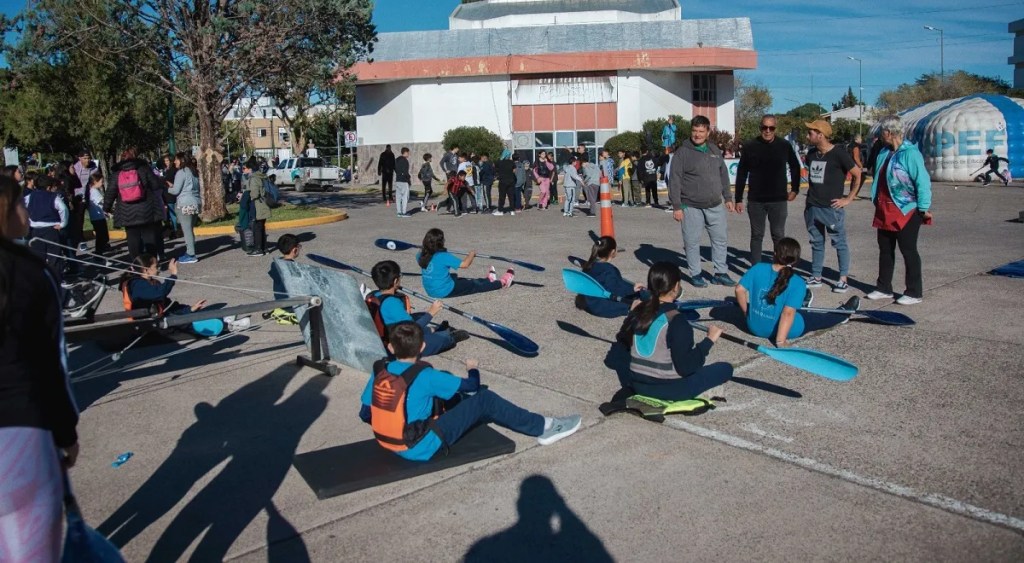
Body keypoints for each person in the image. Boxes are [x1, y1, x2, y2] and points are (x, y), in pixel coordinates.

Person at [358, 321, 582, 461]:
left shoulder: (381, 370)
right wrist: (472, 368)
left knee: (448, 397)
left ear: (389, 347)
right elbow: (473, 386)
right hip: (418, 447)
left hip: (386, 441)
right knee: (485, 399)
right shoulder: (426, 375)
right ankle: (545, 427)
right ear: (423, 347)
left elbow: (365, 413)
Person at [0, 175, 80, 562]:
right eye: (18, 204)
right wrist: (66, 431)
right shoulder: (29, 272)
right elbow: (53, 365)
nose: (25, 211)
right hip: (22, 434)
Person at [616, 261, 732, 401]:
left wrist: (632, 313)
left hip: (637, 384)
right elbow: (687, 367)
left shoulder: (638, 311)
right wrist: (709, 340)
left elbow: (622, 341)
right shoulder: (676, 320)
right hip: (668, 388)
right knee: (725, 368)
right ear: (676, 286)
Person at [736, 237, 858, 346]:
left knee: (794, 308)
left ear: (774, 254)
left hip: (754, 327)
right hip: (787, 330)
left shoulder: (758, 268)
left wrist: (747, 313)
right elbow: (787, 314)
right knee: (816, 318)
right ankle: (842, 315)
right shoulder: (798, 282)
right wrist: (780, 341)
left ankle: (801, 303)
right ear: (796, 261)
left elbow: (739, 289)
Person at [867, 116, 933, 306]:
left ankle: (914, 291)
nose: (880, 136)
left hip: (906, 209)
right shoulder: (883, 152)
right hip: (884, 208)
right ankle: (883, 287)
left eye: (882, 132)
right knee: (885, 249)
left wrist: (923, 207)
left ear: (889, 133)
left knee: (908, 250)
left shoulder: (910, 153)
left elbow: (922, 180)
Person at [668, 115, 736, 288]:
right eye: (694, 131)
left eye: (701, 131)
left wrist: (727, 197)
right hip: (691, 206)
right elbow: (674, 180)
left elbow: (723, 175)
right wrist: (676, 206)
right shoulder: (682, 152)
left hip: (715, 205)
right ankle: (696, 274)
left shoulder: (714, 150)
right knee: (691, 242)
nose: (697, 134)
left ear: (707, 132)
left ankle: (720, 273)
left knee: (720, 240)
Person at [802, 120, 861, 293]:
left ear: (820, 135)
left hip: (831, 209)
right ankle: (816, 276)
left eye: (811, 132)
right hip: (812, 206)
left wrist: (848, 199)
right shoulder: (812, 154)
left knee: (839, 243)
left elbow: (857, 175)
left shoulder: (839, 154)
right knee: (816, 242)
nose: (807, 135)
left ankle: (843, 279)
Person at [734, 114, 802, 265]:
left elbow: (795, 166)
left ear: (775, 129)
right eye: (764, 127)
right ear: (760, 128)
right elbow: (742, 172)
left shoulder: (784, 145)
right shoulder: (750, 146)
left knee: (778, 235)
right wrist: (738, 199)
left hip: (778, 199)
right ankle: (756, 268)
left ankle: (780, 266)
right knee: (757, 235)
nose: (768, 131)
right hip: (756, 200)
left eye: (771, 128)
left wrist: (795, 189)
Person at [367, 260, 469, 358]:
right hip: (397, 345)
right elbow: (412, 329)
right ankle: (450, 337)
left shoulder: (373, 295)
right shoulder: (392, 303)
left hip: (387, 337)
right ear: (395, 281)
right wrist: (431, 312)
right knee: (439, 340)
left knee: (422, 323)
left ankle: (437, 330)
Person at [105, 147, 166, 260]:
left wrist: (106, 207)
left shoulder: (117, 173)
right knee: (149, 237)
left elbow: (110, 192)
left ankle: (136, 263)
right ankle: (151, 262)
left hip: (126, 210)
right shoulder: (143, 168)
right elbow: (155, 185)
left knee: (132, 238)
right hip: (146, 208)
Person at [417, 228, 513, 298]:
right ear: (440, 242)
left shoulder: (421, 254)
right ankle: (502, 283)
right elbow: (465, 264)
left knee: (459, 278)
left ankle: (488, 279)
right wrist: (471, 254)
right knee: (473, 285)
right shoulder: (443, 256)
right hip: (444, 291)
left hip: (430, 290)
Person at [576, 236, 645, 318]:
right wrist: (633, 288)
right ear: (613, 252)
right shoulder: (610, 270)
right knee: (638, 299)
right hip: (600, 306)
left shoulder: (589, 265)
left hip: (588, 303)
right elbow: (616, 290)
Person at [25, 176, 69, 274]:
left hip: (35, 230)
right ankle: (57, 280)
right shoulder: (53, 197)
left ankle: (39, 280)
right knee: (54, 257)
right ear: (49, 187)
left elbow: (22, 207)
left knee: (38, 257)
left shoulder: (29, 196)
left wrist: (28, 221)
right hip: (51, 230)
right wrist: (62, 224)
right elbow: (63, 209)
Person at [168, 152, 202, 263]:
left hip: (185, 204)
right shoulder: (193, 171)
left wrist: (167, 188)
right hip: (195, 202)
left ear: (182, 160)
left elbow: (176, 190)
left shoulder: (181, 172)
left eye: (176, 159)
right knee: (190, 230)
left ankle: (191, 254)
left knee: (187, 231)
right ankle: (190, 251)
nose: (174, 162)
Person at [242, 157, 271, 256]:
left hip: (257, 205)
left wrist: (246, 197)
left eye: (246, 168)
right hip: (264, 203)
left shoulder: (254, 178)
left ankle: (258, 249)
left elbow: (254, 194)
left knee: (257, 227)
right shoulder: (261, 176)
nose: (245, 170)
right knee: (261, 226)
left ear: (250, 168)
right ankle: (264, 248)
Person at [87, 171, 110, 254]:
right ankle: (99, 251)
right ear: (95, 182)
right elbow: (102, 202)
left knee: (101, 234)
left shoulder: (91, 191)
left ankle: (101, 248)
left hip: (96, 217)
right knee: (101, 235)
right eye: (101, 182)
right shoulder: (94, 191)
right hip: (98, 217)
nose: (102, 183)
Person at [493, 151, 516, 215]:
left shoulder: (499, 162)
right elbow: (514, 171)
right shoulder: (512, 162)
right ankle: (512, 210)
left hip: (503, 181)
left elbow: (494, 165)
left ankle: (500, 210)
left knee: (502, 196)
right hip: (511, 181)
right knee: (511, 196)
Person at [579, 153, 600, 218]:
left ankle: (592, 212)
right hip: (597, 183)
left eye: (582, 164)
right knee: (594, 198)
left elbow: (588, 175)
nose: (582, 166)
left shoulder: (586, 167)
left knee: (591, 199)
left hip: (591, 183)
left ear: (584, 163)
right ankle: (593, 210)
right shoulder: (595, 165)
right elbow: (600, 173)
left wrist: (584, 182)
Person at [394, 147, 412, 218]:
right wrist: (408, 178)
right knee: (405, 197)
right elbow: (405, 171)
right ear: (406, 152)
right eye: (408, 152)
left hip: (398, 180)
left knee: (398, 197)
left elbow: (394, 168)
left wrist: (398, 173)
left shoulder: (396, 160)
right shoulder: (405, 161)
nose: (409, 154)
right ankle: (404, 212)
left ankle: (399, 212)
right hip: (404, 181)